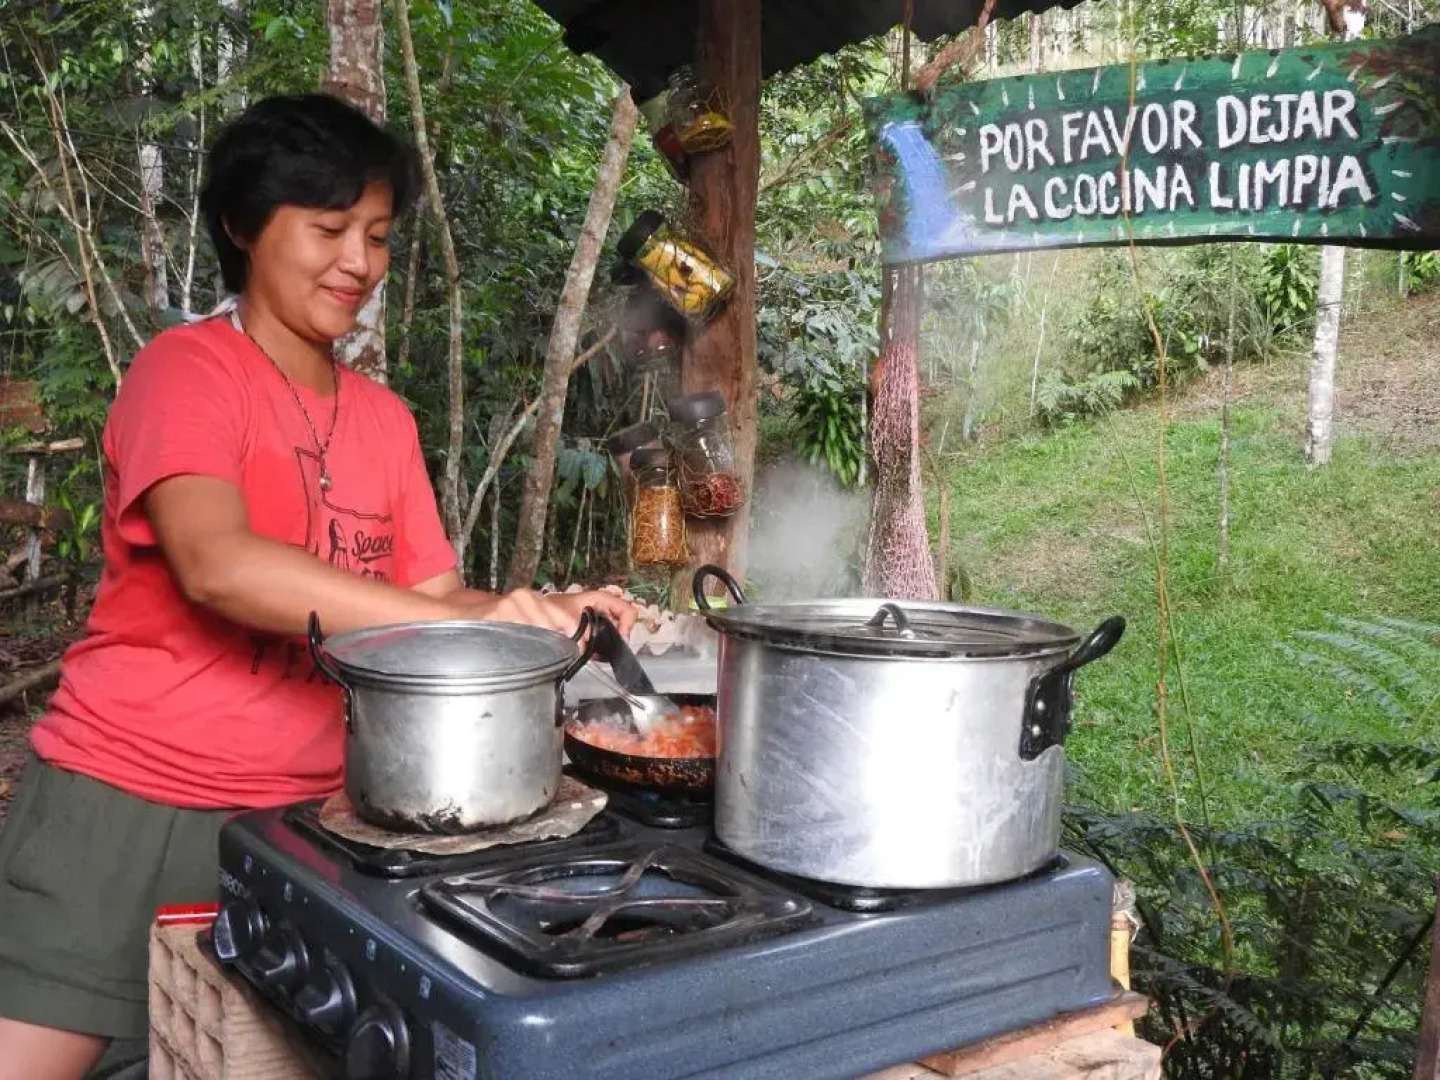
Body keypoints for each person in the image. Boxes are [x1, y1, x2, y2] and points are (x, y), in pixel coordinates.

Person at [0, 93, 637, 1080]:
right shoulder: (188, 373)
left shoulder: (384, 421)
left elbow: (434, 602)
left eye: (378, 236)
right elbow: (219, 564)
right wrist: (445, 616)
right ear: (242, 225)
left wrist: (532, 618)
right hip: (137, 802)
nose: (360, 262)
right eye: (330, 228)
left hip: (318, 830)